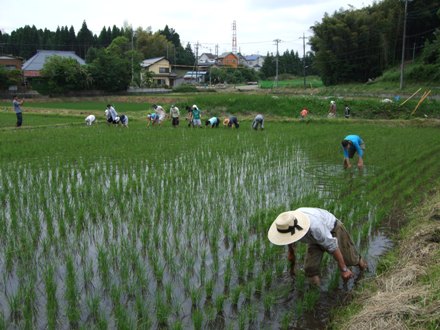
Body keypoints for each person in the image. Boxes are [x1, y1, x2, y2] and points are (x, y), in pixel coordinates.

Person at [268, 208, 368, 286]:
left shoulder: (315, 227)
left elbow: (333, 247)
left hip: (333, 230)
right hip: (313, 238)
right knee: (310, 269)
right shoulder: (288, 222)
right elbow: (289, 237)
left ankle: (365, 274)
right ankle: (315, 293)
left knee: (351, 260)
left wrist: (344, 270)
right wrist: (291, 252)